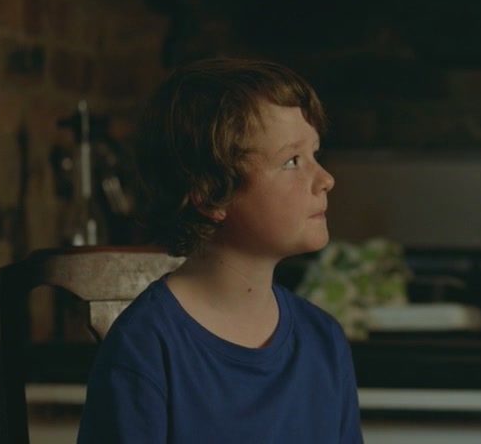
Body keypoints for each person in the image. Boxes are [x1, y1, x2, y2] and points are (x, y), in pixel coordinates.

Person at [77, 57, 363, 443]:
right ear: (211, 194)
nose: (325, 179)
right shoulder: (145, 348)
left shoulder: (324, 341)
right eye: (292, 161)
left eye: (316, 154)